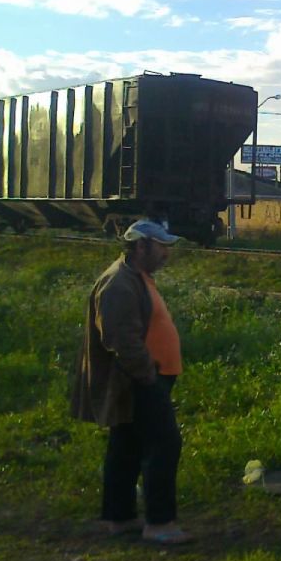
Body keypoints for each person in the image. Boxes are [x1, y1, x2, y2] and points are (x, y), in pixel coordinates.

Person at [70, 219, 191, 544]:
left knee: (127, 445)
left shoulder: (135, 277)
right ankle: (159, 524)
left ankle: (120, 517)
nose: (166, 253)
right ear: (140, 246)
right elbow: (121, 339)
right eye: (161, 246)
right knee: (164, 444)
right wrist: (148, 375)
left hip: (141, 377)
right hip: (138, 379)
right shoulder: (118, 284)